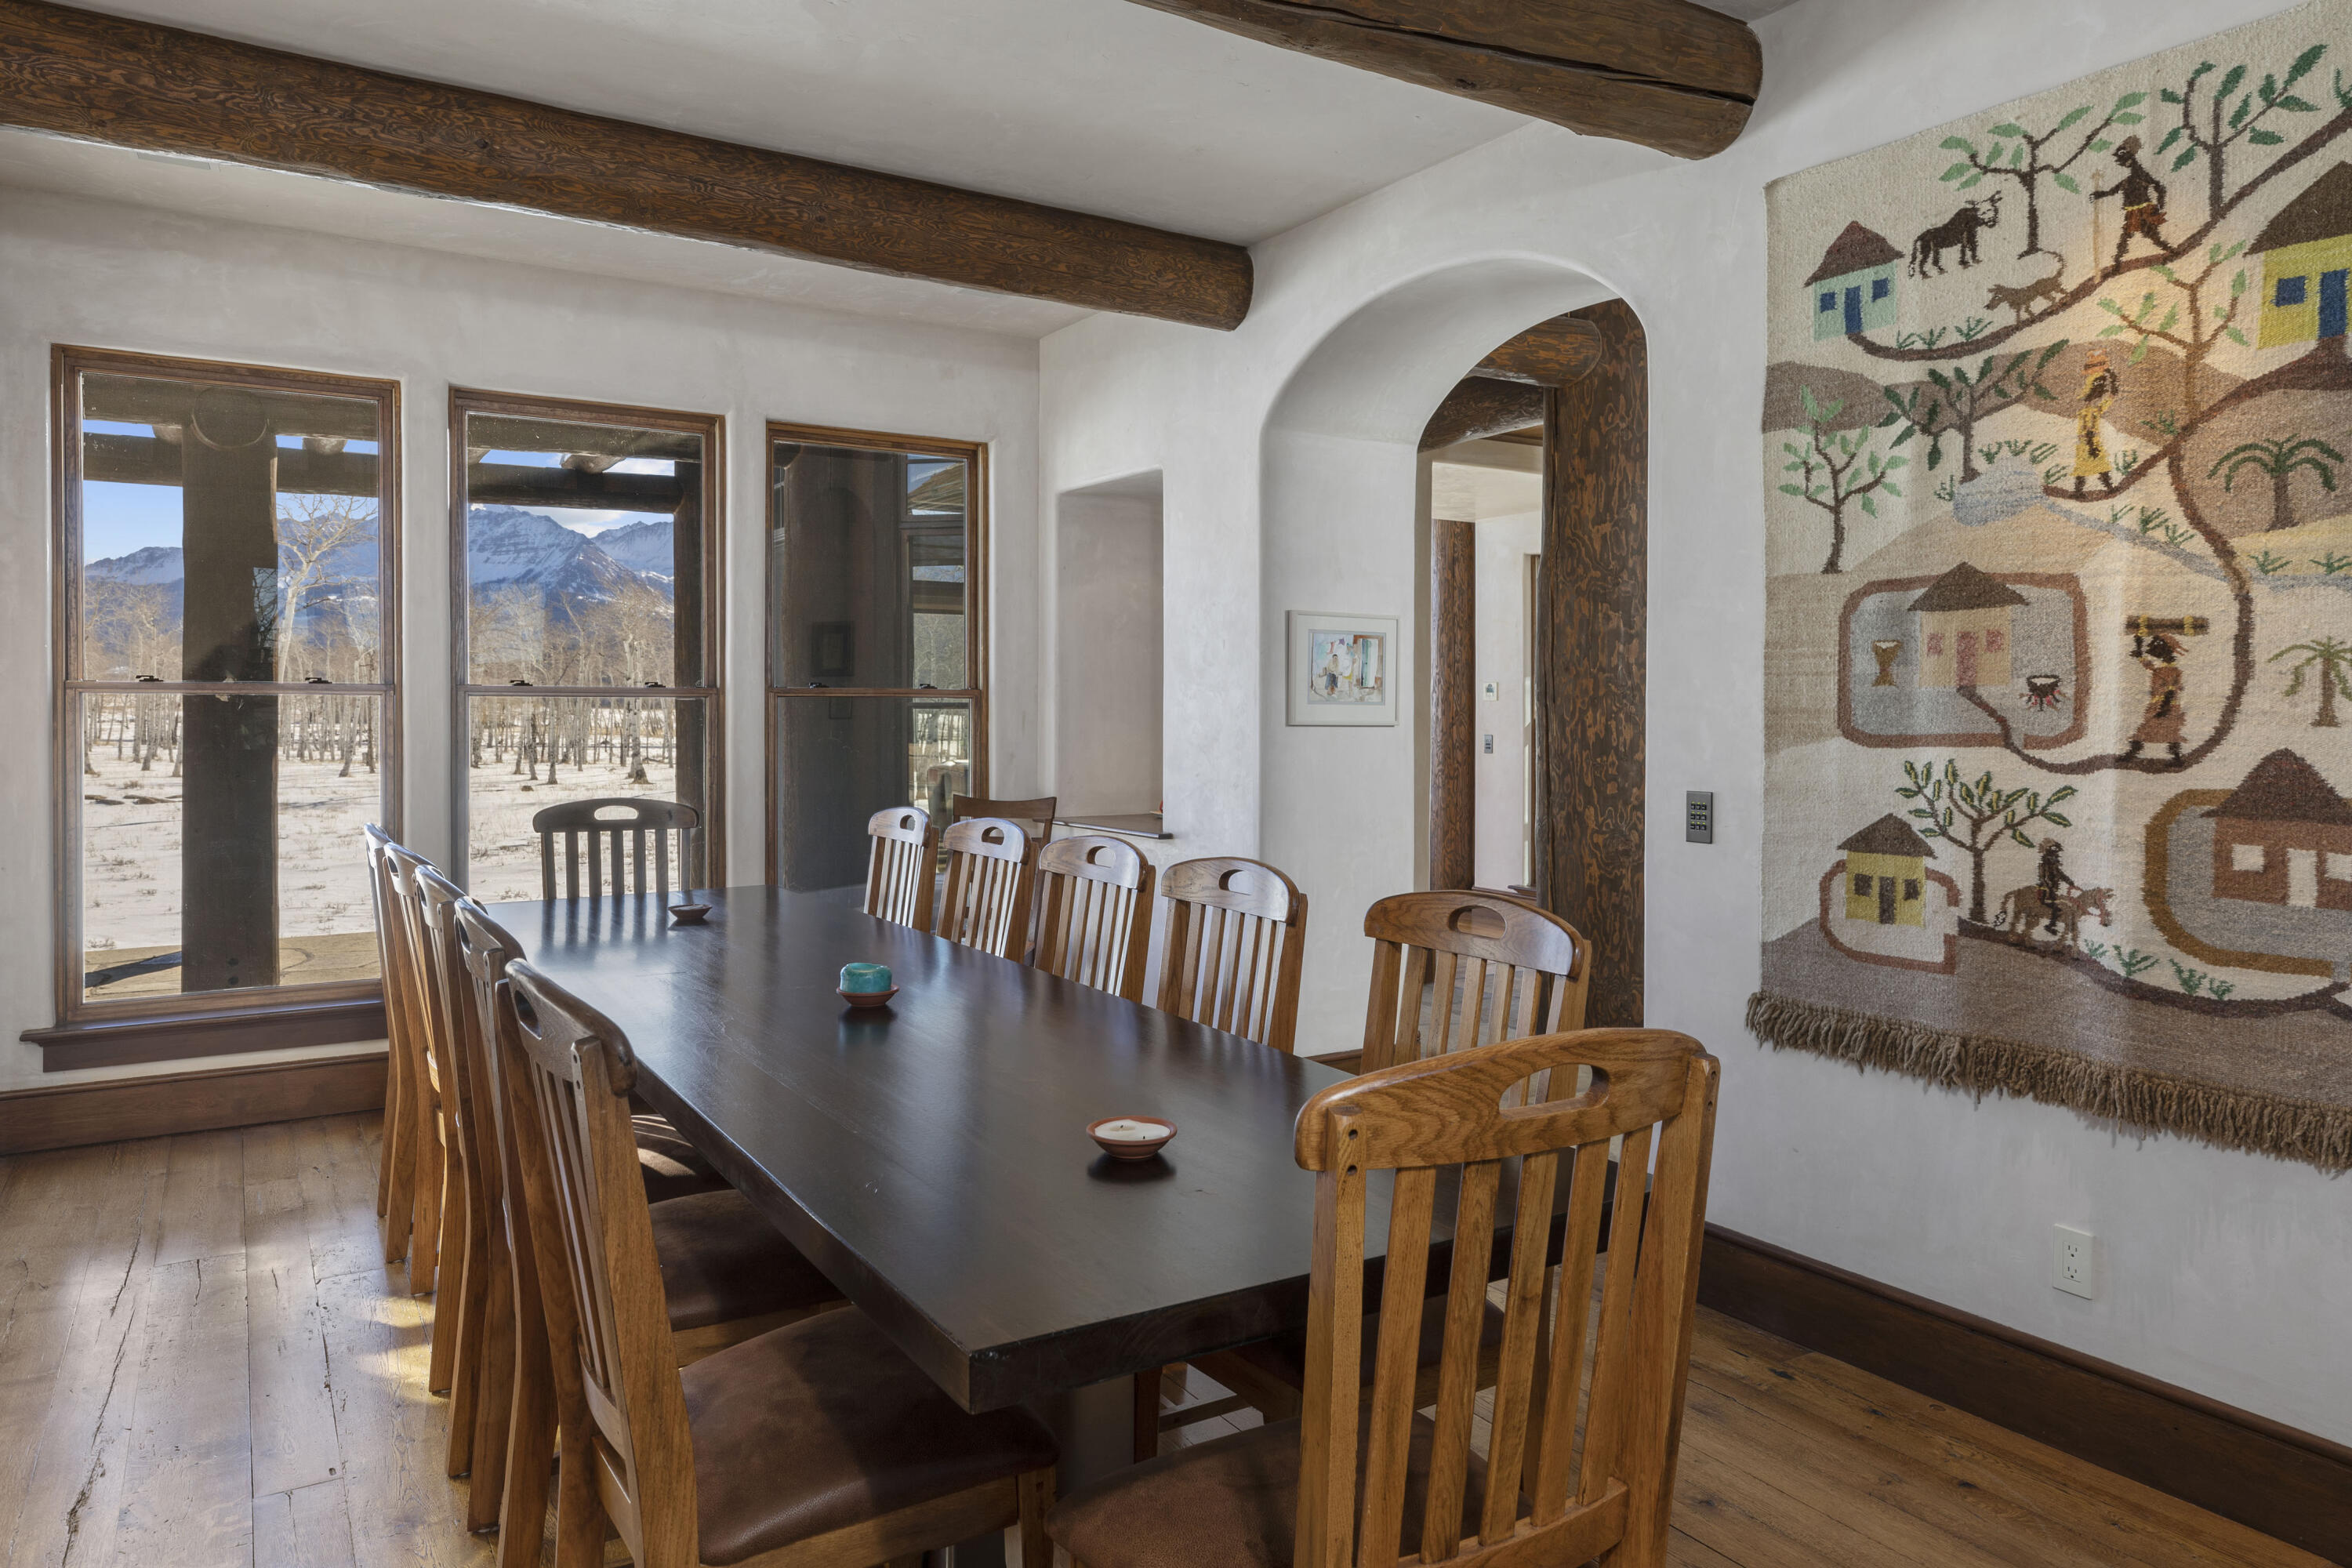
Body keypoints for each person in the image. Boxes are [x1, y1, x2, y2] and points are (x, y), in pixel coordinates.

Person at [2093, 135, 2172, 268]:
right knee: (2141, 235)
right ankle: (2118, 263)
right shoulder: (2132, 178)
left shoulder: (2139, 174)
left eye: (2123, 158)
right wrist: (2101, 194)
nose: (2120, 162)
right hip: (2134, 211)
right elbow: (2115, 190)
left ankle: (2117, 264)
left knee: (2137, 235)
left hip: (2143, 211)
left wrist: (2159, 206)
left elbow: (2160, 188)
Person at [2123, 632, 2187, 765]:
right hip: (2162, 706)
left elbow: (2170, 691)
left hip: (2164, 707)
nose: (2153, 650)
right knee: (2166, 732)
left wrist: (2164, 708)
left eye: (2157, 646)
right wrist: (2139, 651)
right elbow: (2150, 667)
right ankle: (2177, 758)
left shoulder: (2170, 671)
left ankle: (2132, 753)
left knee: (2154, 731)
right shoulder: (2166, 668)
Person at [2071, 347, 2121, 499]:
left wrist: (2112, 393)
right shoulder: (2090, 409)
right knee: (2090, 465)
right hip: (2088, 440)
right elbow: (2087, 423)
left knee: (2091, 464)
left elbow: (2105, 403)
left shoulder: (2093, 408)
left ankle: (2105, 488)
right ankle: (2103, 489)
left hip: (2090, 439)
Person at [2036, 837, 2081, 938]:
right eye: (2054, 854)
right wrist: (2050, 887)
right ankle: (2050, 926)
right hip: (2045, 891)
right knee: (2057, 908)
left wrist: (2070, 882)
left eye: (2056, 854)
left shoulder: (2055, 867)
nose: (2056, 856)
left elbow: (2061, 875)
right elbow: (2044, 878)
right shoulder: (2043, 866)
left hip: (2052, 890)